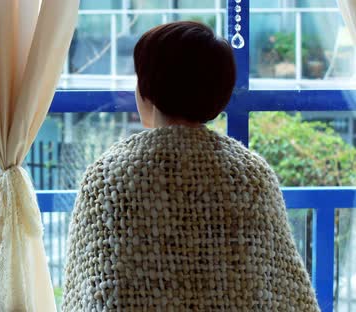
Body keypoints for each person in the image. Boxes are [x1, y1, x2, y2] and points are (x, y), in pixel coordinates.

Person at [63, 21, 319, 311]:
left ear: (148, 87)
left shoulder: (108, 178)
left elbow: (88, 297)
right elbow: (287, 294)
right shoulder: (252, 175)